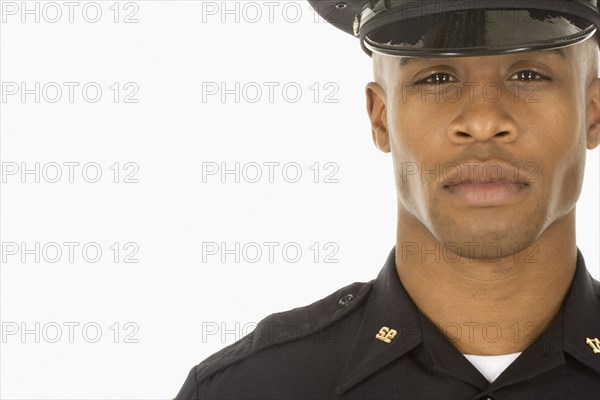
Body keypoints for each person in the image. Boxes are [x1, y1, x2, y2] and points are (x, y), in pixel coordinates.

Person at [175, 1, 600, 398]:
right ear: (380, 119)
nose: (483, 121)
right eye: (437, 78)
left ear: (593, 111)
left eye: (528, 76)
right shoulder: (251, 389)